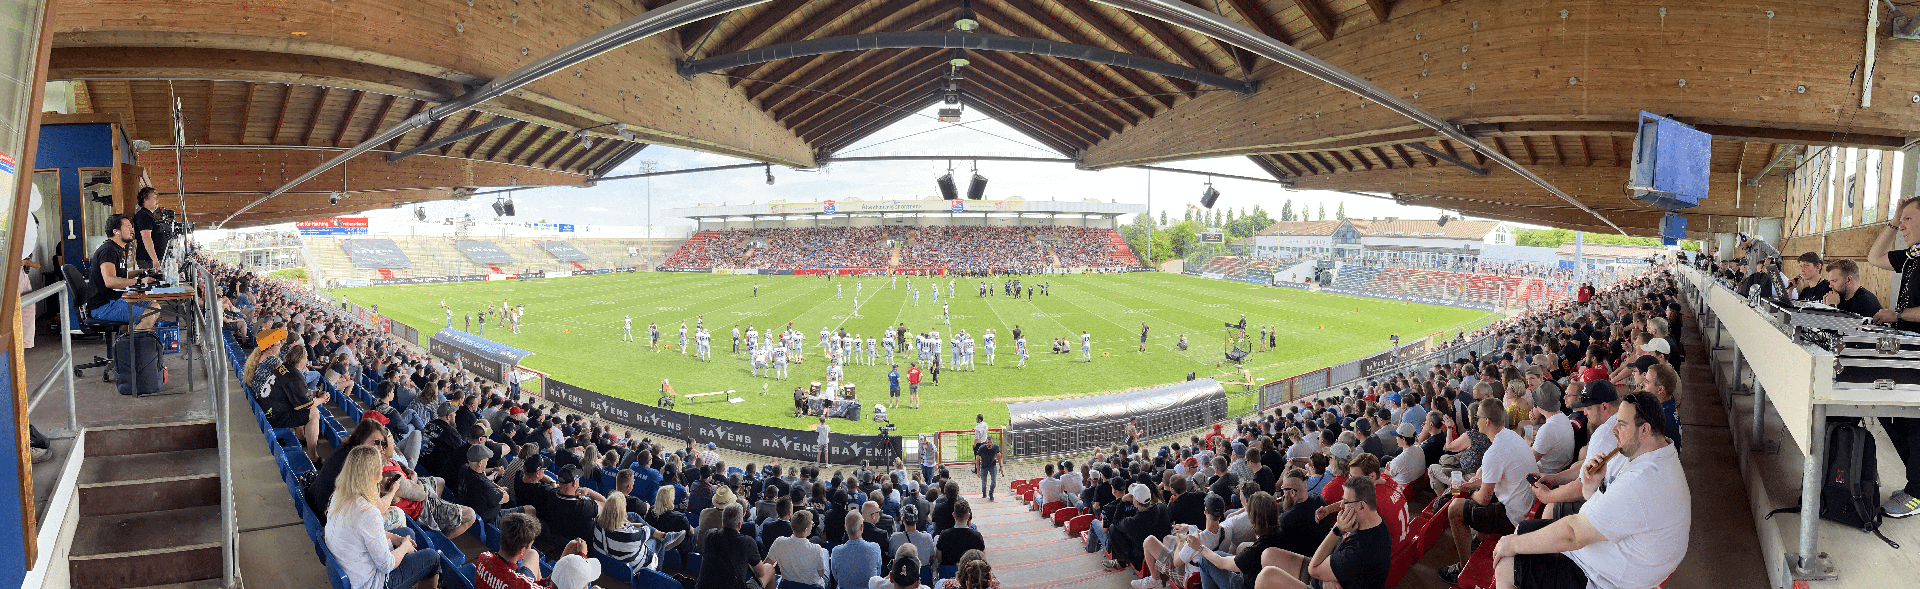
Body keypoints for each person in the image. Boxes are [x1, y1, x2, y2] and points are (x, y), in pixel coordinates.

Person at [1491, 392, 1689, 589]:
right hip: (1605, 554)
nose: (1614, 429)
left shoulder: (1642, 481)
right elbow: (1592, 504)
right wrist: (1591, 484)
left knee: (1506, 565)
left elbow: (1573, 534)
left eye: (1621, 424)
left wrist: (1512, 545)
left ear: (1644, 429)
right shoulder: (1645, 453)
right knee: (1523, 530)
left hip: (1603, 577)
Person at [1438, 399, 1537, 584]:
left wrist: (1468, 492)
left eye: (1478, 417)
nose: (1476, 421)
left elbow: (1483, 499)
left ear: (1487, 421)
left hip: (1514, 516)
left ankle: (1462, 570)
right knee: (1474, 484)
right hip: (1526, 504)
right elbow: (1494, 478)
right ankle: (1478, 539)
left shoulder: (1494, 452)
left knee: (1456, 508)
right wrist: (1470, 486)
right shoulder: (1511, 436)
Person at [1864, 198, 1920, 517]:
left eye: (1909, 219)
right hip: (1906, 350)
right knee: (1887, 410)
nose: (1903, 225)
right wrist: (1893, 220)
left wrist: (1896, 314)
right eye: (1903, 219)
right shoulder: (1912, 256)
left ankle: (1917, 491)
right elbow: (1874, 257)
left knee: (1914, 421)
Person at [325, 446, 442, 589]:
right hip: (370, 583)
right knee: (432, 558)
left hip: (351, 566)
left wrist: (396, 539)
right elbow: (386, 565)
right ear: (375, 474)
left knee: (407, 533)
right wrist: (404, 547)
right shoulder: (368, 512)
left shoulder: (339, 494)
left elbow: (364, 532)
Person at [1250, 477, 1392, 589]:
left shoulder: (1359, 550)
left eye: (1345, 502)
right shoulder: (1372, 521)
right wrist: (1330, 576)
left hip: (1320, 573)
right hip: (1328, 573)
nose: (1341, 506)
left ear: (1362, 506)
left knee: (1265, 577)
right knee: (1268, 554)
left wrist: (1337, 529)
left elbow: (1313, 569)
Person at [85, 214, 162, 331]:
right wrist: (139, 282)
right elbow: (110, 281)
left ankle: (135, 338)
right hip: (103, 307)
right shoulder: (108, 250)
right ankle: (131, 342)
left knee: (153, 303)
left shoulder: (117, 249)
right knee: (151, 311)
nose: (132, 230)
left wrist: (140, 272)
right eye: (128, 227)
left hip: (112, 301)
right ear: (116, 231)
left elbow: (120, 276)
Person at [697, 503, 776, 589]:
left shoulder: (710, 535)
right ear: (739, 524)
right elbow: (761, 572)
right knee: (769, 569)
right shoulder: (747, 542)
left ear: (723, 521)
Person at [766, 510, 829, 588]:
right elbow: (821, 573)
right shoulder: (816, 549)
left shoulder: (779, 542)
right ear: (805, 530)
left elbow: (768, 563)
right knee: (825, 552)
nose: (812, 526)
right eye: (812, 524)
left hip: (787, 586)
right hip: (813, 586)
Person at [833, 511, 884, 589]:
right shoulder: (875, 548)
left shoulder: (836, 551)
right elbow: (877, 575)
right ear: (861, 527)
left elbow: (836, 578)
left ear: (845, 528)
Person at [131, 186, 168, 268]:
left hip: (151, 260)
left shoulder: (149, 215)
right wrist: (155, 259)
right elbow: (146, 237)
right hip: (149, 260)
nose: (157, 200)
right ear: (145, 199)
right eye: (154, 197)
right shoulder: (144, 215)